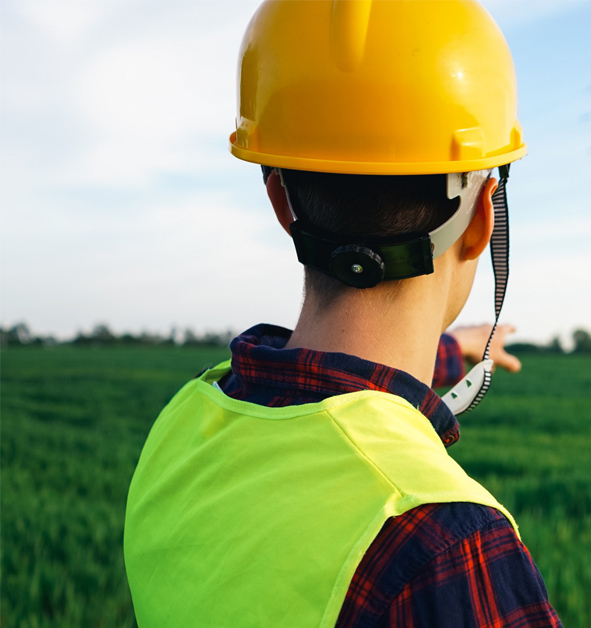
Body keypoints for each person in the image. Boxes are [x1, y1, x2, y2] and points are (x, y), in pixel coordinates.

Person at [123, 1, 561, 626]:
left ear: (281, 201)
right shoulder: (440, 542)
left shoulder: (183, 425)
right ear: (484, 218)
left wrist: (450, 350)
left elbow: (334, 390)